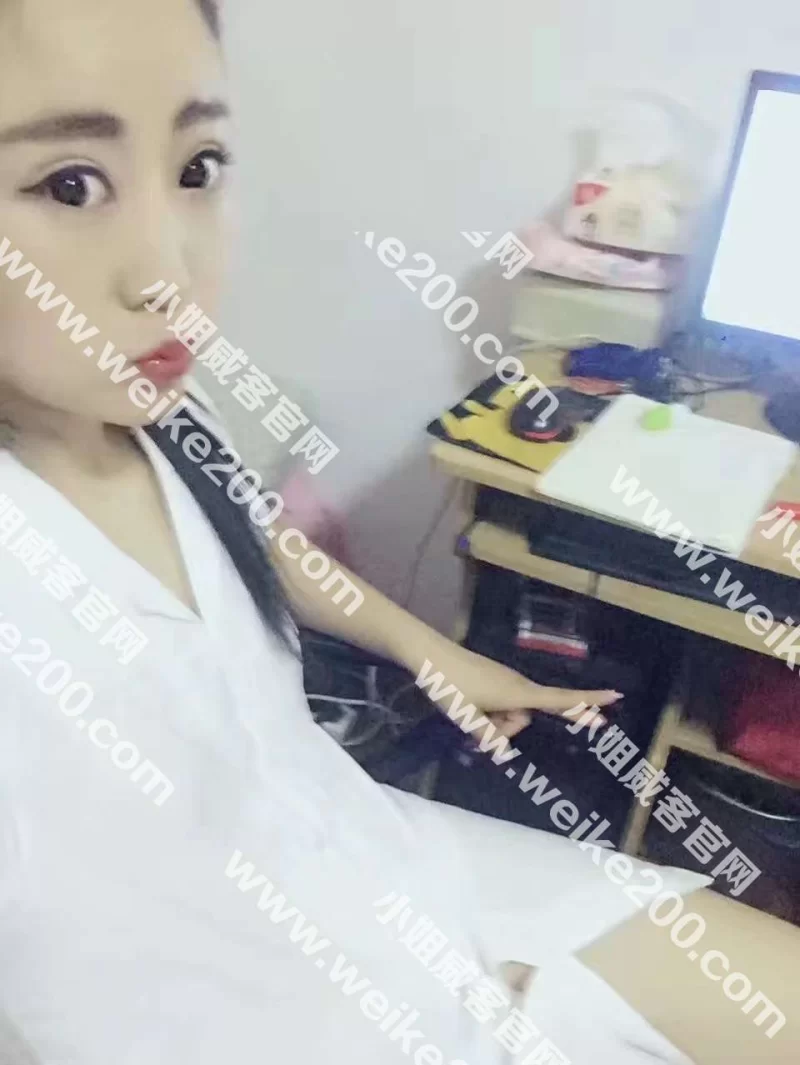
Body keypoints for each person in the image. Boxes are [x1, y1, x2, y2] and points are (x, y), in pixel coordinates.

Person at [0, 1, 796, 1063]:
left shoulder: (150, 409)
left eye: (196, 167)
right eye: (70, 185)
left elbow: (247, 541)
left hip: (363, 851)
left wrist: (431, 650)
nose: (169, 273)